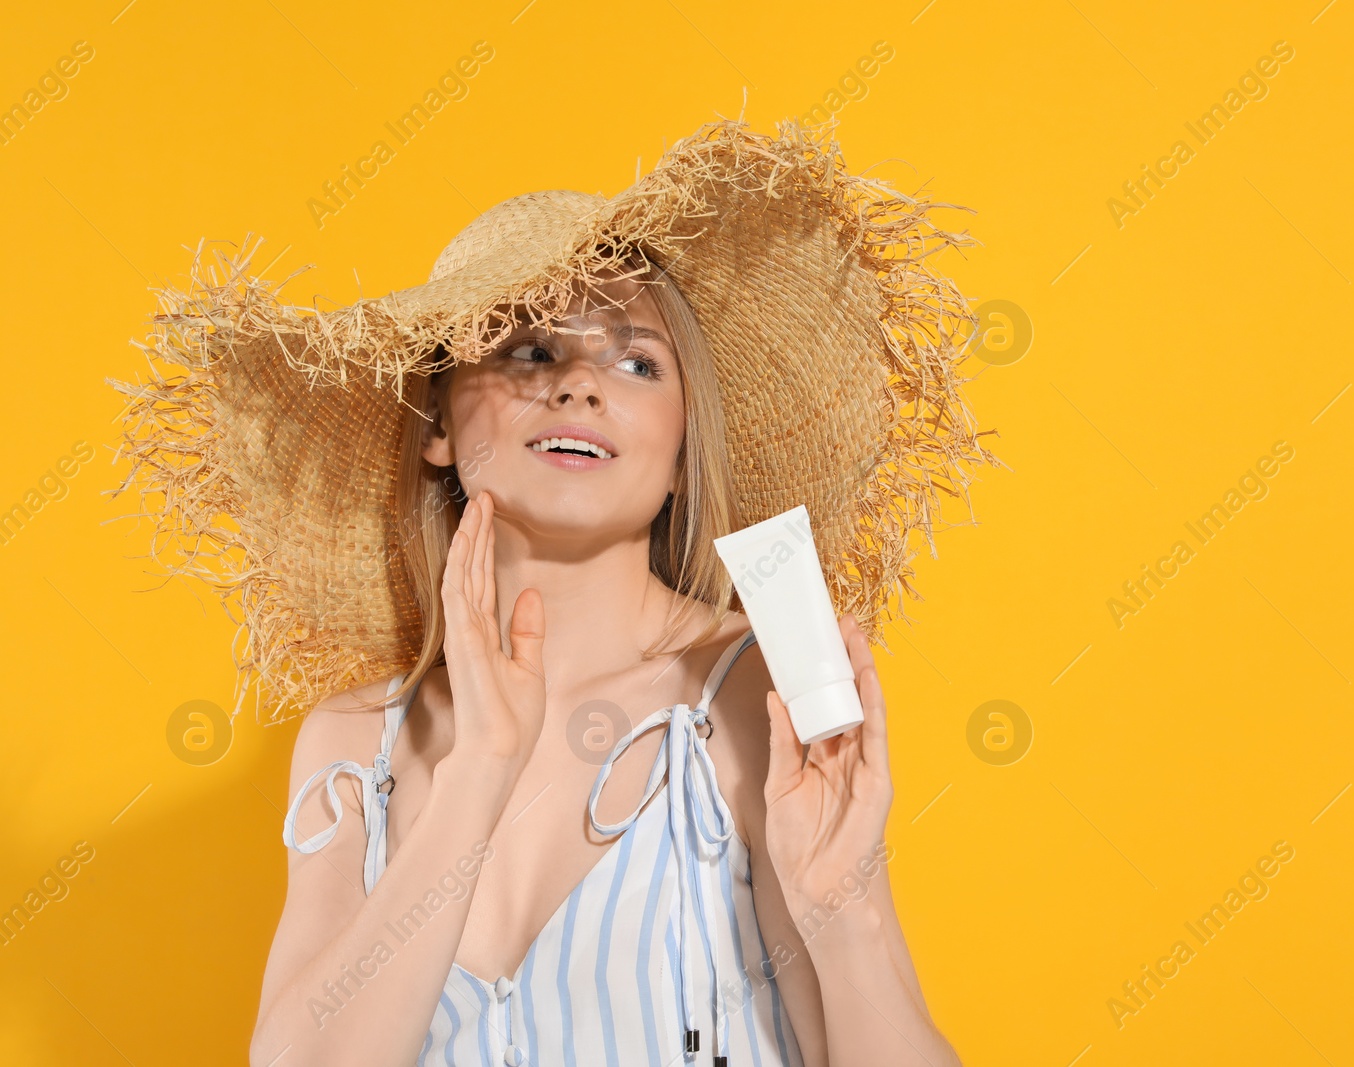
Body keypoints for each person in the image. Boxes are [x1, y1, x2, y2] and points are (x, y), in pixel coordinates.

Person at [114, 117, 990, 1066]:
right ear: (438, 425)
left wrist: (845, 906)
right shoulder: (350, 744)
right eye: (530, 351)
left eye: (637, 362)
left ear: (680, 450)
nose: (579, 384)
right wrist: (482, 765)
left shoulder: (754, 697)